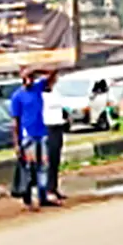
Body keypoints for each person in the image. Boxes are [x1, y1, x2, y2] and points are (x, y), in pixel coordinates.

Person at [8, 68, 52, 209]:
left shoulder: (37, 89)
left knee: (43, 166)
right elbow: (15, 122)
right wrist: (16, 143)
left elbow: (53, 73)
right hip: (27, 137)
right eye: (27, 77)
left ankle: (42, 197)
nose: (29, 80)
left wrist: (35, 68)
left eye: (31, 77)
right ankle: (27, 199)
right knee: (28, 169)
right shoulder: (17, 96)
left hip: (41, 134)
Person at [43, 70, 69, 203]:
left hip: (58, 126)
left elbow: (61, 108)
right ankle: (47, 189)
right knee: (48, 160)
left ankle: (54, 187)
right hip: (48, 128)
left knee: (56, 160)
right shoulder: (40, 94)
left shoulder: (55, 93)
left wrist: (65, 117)